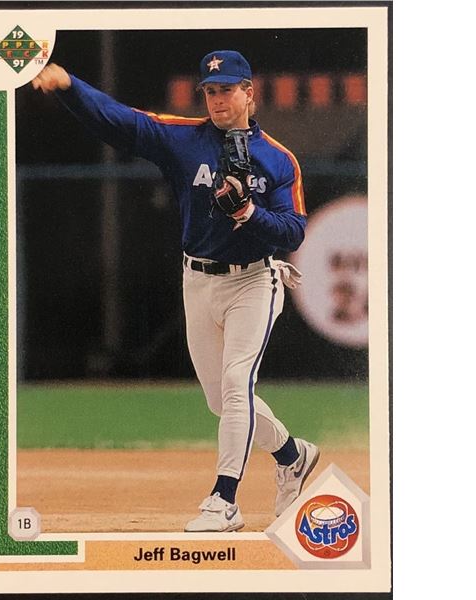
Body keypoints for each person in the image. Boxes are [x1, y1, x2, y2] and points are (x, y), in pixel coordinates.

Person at [32, 50, 320, 532]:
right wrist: (69, 87)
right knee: (220, 401)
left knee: (237, 385)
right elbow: (121, 122)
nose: (217, 99)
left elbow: (293, 232)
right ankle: (293, 456)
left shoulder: (277, 158)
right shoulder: (184, 139)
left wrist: (248, 212)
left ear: (249, 92)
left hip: (255, 280)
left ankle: (223, 501)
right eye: (210, 91)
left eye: (226, 89)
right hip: (198, 280)